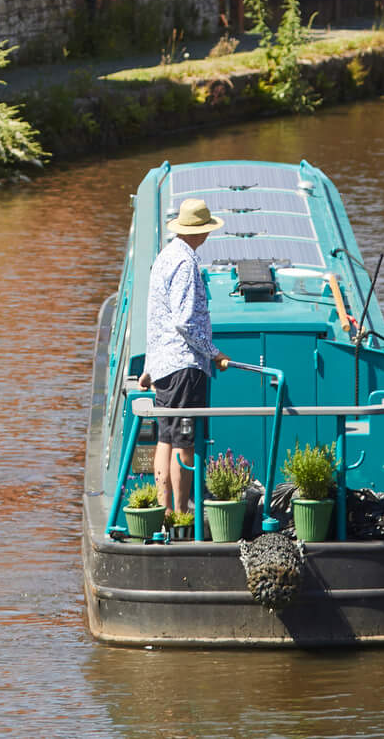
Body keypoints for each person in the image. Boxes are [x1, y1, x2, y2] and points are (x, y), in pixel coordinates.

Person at [141, 197, 231, 535]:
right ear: (203, 232)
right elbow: (184, 322)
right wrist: (213, 352)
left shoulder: (164, 257)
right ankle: (181, 516)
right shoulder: (185, 263)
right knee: (184, 443)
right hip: (183, 366)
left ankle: (164, 516)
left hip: (164, 367)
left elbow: (155, 318)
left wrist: (150, 367)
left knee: (165, 439)